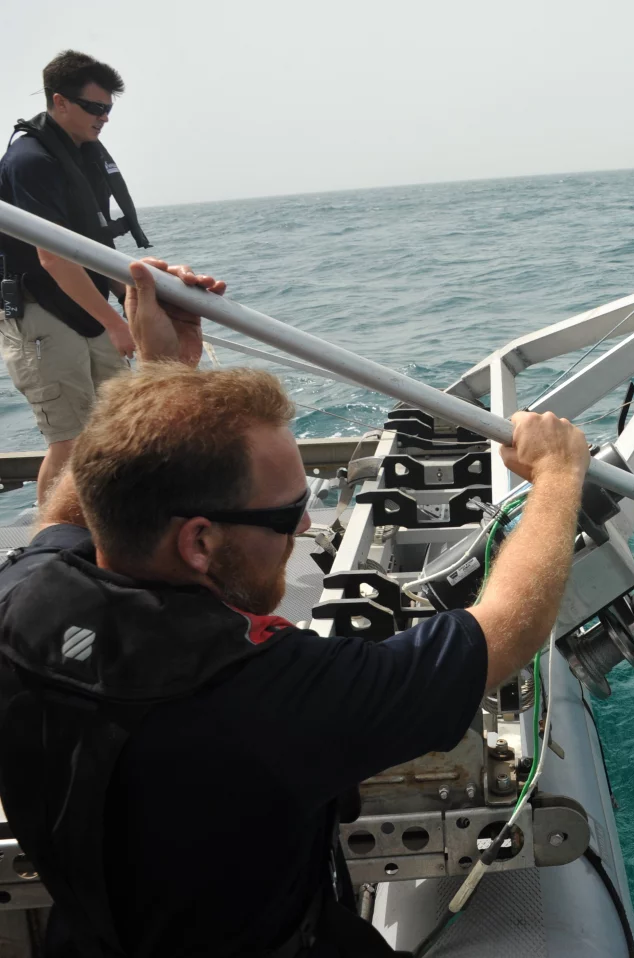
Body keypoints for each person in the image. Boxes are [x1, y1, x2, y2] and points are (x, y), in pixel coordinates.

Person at [0, 258, 592, 956]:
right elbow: (505, 631)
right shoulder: (266, 695)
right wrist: (558, 476)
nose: (306, 527)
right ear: (198, 542)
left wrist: (163, 373)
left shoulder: (26, 599)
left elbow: (83, 497)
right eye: (287, 514)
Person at [0, 50, 153, 506]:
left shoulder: (83, 154)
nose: (104, 118)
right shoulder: (30, 161)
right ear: (60, 102)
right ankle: (49, 536)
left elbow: (95, 241)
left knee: (116, 430)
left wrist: (133, 299)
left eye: (108, 109)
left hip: (88, 307)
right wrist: (116, 324)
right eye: (94, 107)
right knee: (69, 442)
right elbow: (53, 257)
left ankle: (109, 526)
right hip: (41, 314)